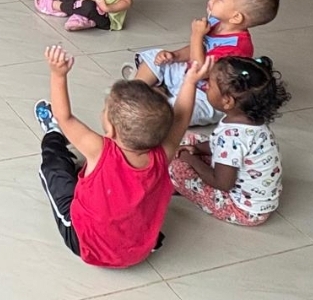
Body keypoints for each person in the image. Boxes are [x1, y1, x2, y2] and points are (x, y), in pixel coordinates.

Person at [34, 44, 211, 268]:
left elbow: (64, 117)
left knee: (52, 168)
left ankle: (52, 134)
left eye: (105, 109)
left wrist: (58, 75)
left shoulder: (99, 150)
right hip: (139, 249)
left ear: (110, 129)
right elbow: (181, 118)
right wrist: (190, 82)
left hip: (87, 245)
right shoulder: (163, 153)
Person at [124, 0, 279, 126]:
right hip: (187, 74)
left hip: (207, 94)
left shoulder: (237, 47)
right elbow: (198, 49)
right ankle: (135, 90)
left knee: (177, 114)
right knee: (155, 56)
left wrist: (196, 35)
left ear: (236, 17)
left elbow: (200, 70)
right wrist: (175, 55)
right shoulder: (216, 21)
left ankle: (157, 98)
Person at [169, 57, 289, 226]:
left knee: (177, 167)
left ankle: (177, 184)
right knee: (190, 139)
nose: (205, 86)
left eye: (209, 85)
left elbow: (222, 183)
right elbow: (220, 145)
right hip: (260, 202)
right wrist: (196, 148)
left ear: (227, 101)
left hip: (243, 210)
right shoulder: (251, 122)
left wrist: (190, 159)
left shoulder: (231, 136)